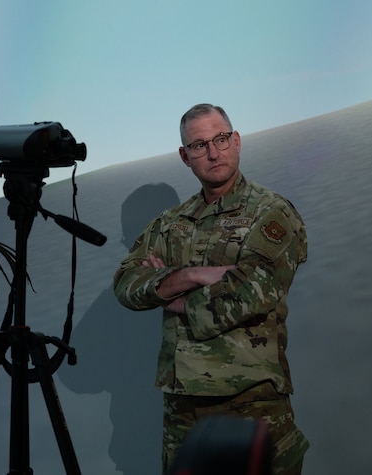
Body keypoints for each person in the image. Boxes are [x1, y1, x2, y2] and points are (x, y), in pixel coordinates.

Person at [112, 103, 309, 474]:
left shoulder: (270, 212)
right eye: (199, 145)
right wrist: (192, 276)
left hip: (252, 401)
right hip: (182, 409)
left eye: (220, 139)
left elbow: (254, 291)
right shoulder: (170, 222)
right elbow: (125, 284)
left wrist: (170, 299)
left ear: (236, 141)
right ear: (185, 156)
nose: (213, 153)